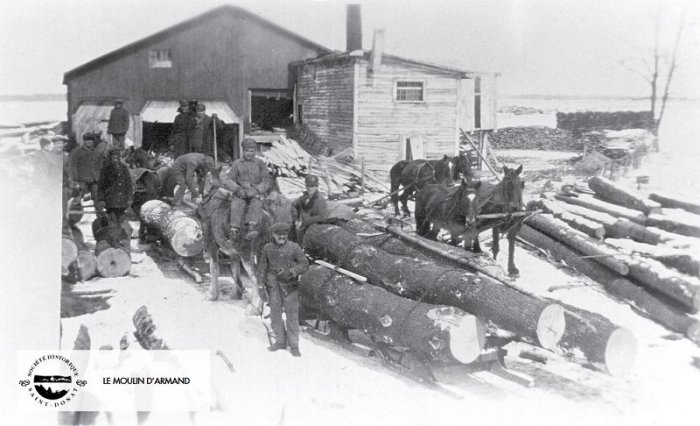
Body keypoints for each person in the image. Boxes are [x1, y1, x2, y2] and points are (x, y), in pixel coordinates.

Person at [257, 222, 309, 357]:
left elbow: (304, 264)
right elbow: (262, 268)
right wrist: (261, 286)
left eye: (284, 234)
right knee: (275, 314)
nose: (282, 237)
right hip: (273, 285)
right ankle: (280, 341)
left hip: (289, 286)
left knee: (292, 315)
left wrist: (291, 272)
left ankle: (294, 345)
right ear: (273, 235)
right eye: (279, 235)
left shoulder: (294, 247)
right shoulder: (267, 248)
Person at [222, 138, 271, 241]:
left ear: (255, 151)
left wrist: (257, 190)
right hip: (241, 193)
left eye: (251, 151)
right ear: (243, 151)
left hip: (255, 193)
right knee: (236, 204)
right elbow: (229, 179)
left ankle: (251, 227)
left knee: (256, 203)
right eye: (247, 151)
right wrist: (237, 189)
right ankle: (234, 230)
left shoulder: (260, 163)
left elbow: (266, 180)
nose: (249, 153)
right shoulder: (237, 164)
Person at [69, 135, 104, 213]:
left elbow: (100, 165)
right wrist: (75, 179)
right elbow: (73, 166)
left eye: (91, 141)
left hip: (94, 180)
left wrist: (99, 176)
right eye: (87, 141)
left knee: (98, 200)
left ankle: (102, 219)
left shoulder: (96, 152)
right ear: (84, 141)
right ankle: (73, 217)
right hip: (81, 180)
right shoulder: (77, 152)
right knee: (77, 199)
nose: (89, 142)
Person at [97, 148, 133, 221]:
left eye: (117, 156)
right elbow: (100, 185)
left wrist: (130, 197)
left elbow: (128, 183)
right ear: (110, 157)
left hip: (122, 200)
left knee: (121, 220)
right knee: (111, 219)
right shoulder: (106, 169)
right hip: (110, 200)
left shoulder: (124, 168)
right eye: (113, 156)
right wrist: (101, 199)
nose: (115, 158)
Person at [291, 175, 328, 243]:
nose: (310, 188)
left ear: (316, 186)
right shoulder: (303, 198)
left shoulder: (320, 199)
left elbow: (322, 217)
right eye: (308, 186)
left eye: (312, 186)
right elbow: (293, 204)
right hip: (301, 229)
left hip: (314, 230)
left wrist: (304, 222)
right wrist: (295, 219)